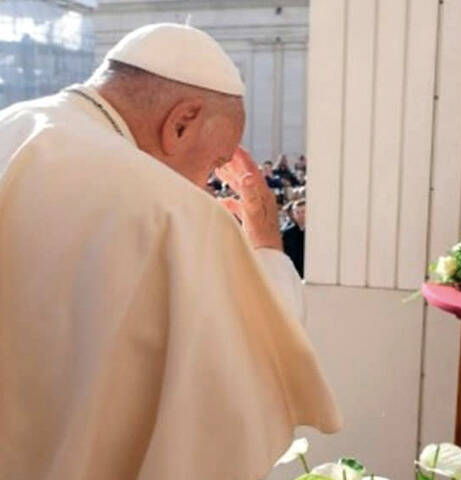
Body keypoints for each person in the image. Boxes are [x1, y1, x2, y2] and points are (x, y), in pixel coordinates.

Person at [0, 23, 341, 480]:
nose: (208, 181)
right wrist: (265, 249)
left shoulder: (12, 125)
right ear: (181, 122)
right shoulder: (172, 212)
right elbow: (233, 393)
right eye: (218, 161)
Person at [282, 199, 306, 277]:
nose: (300, 215)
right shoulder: (287, 233)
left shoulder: (316, 232)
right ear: (293, 214)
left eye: (303, 212)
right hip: (293, 274)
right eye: (297, 212)